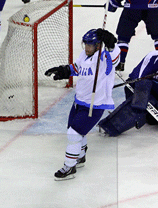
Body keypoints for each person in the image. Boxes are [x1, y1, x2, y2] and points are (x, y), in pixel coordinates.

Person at [45, 28, 120, 180]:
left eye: (90, 45)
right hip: (79, 101)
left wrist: (111, 43)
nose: (86, 47)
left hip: (95, 105)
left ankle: (69, 167)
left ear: (98, 46)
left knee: (74, 134)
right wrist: (63, 71)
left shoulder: (104, 57)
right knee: (75, 130)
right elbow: (77, 68)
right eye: (85, 44)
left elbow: (116, 58)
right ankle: (80, 156)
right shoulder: (84, 55)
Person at [98, 35, 158, 136]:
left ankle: (149, 115)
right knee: (138, 106)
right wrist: (147, 97)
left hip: (155, 93)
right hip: (136, 87)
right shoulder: (153, 57)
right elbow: (141, 78)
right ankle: (109, 127)